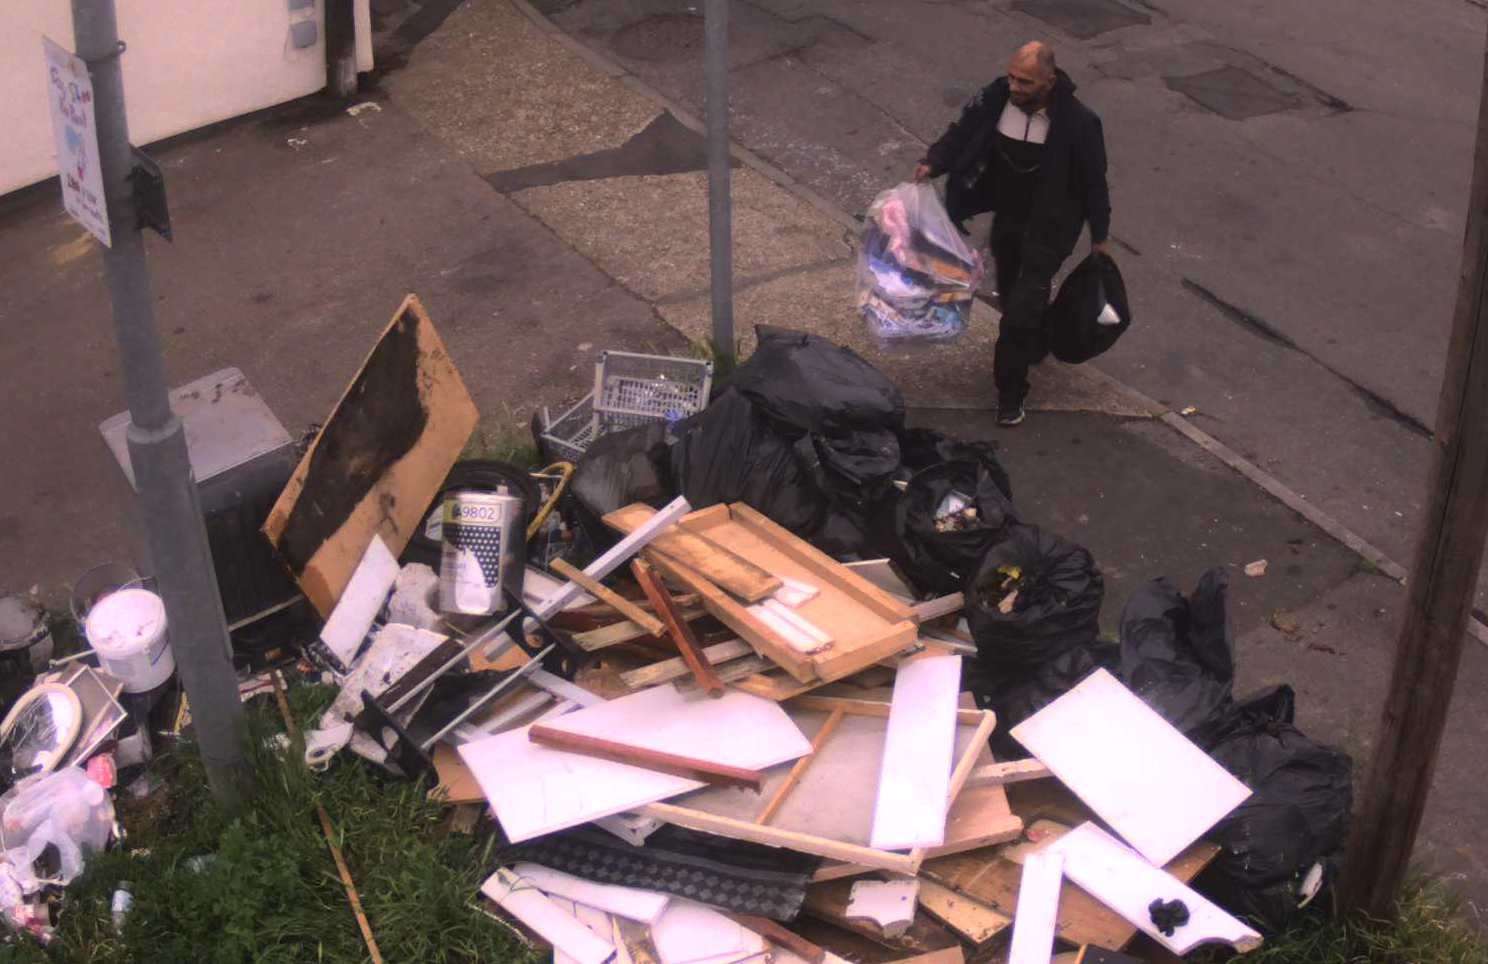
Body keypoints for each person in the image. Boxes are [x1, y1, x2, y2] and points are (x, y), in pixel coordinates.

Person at [914, 42, 1111, 426]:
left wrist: (1100, 236)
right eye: (1012, 77)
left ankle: (1010, 393)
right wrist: (934, 162)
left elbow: (1094, 183)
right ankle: (1034, 339)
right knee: (1010, 290)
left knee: (1020, 310)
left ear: (1049, 82)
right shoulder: (995, 97)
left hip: (1050, 227)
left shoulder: (1079, 124)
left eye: (1025, 81)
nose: (1015, 86)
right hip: (1009, 218)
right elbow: (963, 130)